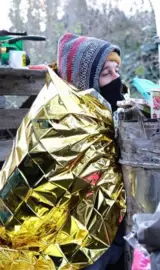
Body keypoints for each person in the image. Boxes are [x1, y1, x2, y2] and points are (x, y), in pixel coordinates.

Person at [56, 33, 126, 270]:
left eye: (117, 70)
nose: (116, 79)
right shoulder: (70, 128)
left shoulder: (111, 115)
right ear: (84, 83)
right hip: (81, 247)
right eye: (106, 73)